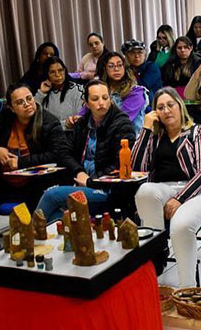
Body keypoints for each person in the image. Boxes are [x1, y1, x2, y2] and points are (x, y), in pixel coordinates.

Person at [133, 88, 201, 288]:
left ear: (180, 106)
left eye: (170, 105)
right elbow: (137, 171)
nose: (166, 111)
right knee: (144, 191)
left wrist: (179, 198)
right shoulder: (155, 137)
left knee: (181, 226)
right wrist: (145, 130)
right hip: (164, 190)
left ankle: (187, 290)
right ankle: (158, 249)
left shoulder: (197, 131)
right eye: (160, 107)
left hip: (200, 193)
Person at [0, 82, 67, 254]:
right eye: (20, 102)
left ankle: (31, 249)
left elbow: (57, 155)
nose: (27, 104)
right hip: (5, 179)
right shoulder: (5, 118)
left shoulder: (49, 122)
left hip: (36, 182)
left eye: (29, 99)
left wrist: (21, 163)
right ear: (12, 108)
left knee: (32, 216)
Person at [36, 78, 135, 222]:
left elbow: (120, 164)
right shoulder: (82, 123)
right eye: (95, 99)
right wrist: (78, 172)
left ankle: (30, 238)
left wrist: (90, 181)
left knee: (52, 195)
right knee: (56, 217)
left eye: (105, 98)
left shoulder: (122, 123)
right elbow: (63, 153)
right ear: (87, 103)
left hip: (106, 189)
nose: (101, 103)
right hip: (81, 182)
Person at [75, 51, 149, 134]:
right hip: (101, 136)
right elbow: (85, 111)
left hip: (128, 139)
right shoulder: (99, 89)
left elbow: (122, 120)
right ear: (104, 69)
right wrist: (77, 118)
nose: (116, 69)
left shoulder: (135, 91)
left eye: (120, 65)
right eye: (111, 66)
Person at [35, 57, 83, 128]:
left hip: (71, 135)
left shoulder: (77, 90)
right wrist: (41, 93)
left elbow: (79, 120)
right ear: (46, 74)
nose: (57, 75)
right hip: (49, 135)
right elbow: (34, 116)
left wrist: (66, 124)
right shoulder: (44, 92)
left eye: (60, 70)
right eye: (52, 72)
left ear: (65, 71)